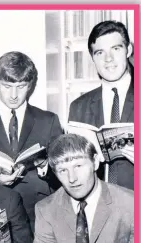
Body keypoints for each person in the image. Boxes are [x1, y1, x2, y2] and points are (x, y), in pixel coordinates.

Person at [0, 51, 63, 232]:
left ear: (31, 85)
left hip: (39, 216)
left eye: (21, 86)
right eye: (7, 86)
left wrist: (44, 166)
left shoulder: (48, 120)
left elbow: (63, 174)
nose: (13, 95)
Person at [29, 134, 134, 243]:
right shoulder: (46, 210)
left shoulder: (130, 203)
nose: (72, 178)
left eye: (78, 166)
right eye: (62, 170)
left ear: (95, 163)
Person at [68, 20, 134, 190]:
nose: (108, 59)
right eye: (100, 53)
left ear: (129, 50)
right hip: (97, 207)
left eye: (116, 49)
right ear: (92, 58)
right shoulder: (78, 107)